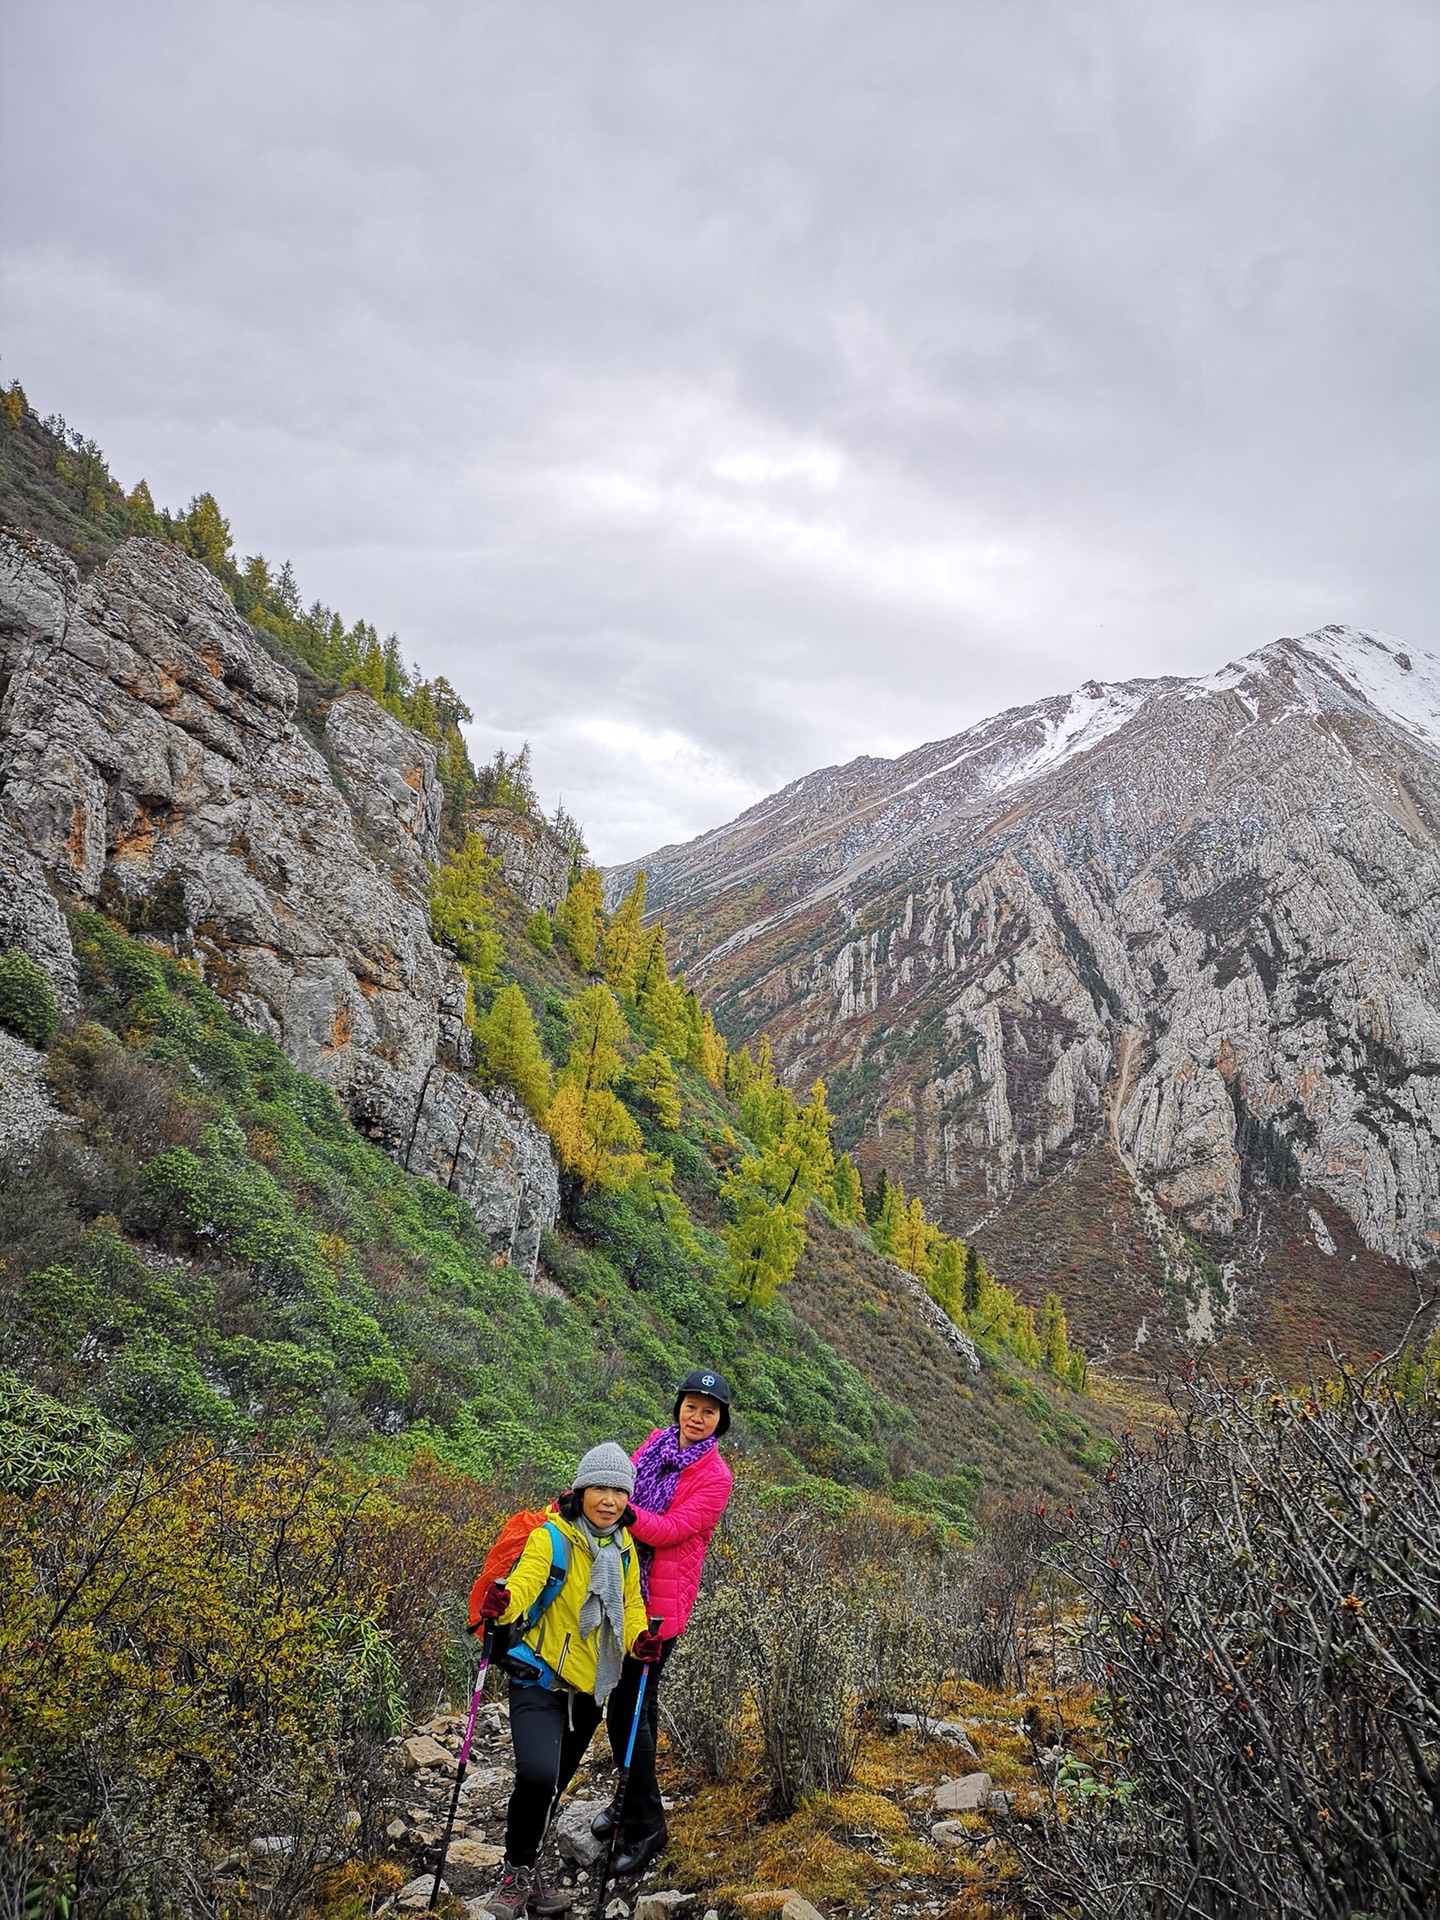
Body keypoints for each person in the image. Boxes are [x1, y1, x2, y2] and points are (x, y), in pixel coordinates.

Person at [474, 1442, 660, 1920]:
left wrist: (639, 1638)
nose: (610, 1500)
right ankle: (514, 1877)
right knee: (537, 1774)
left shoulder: (624, 1550)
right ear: (581, 1490)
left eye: (620, 1491)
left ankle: (530, 1877)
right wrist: (503, 1603)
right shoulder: (552, 1537)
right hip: (538, 1678)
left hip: (589, 1690)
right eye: (600, 1487)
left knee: (554, 1785)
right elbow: (526, 1583)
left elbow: (633, 1607)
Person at [590, 1368, 735, 1874]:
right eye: (691, 1406)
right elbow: (620, 1486)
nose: (698, 1417)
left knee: (627, 1712)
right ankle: (627, 1805)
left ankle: (647, 1826)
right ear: (678, 1408)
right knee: (635, 1710)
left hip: (658, 1610)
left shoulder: (716, 1477)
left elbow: (673, 1530)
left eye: (709, 1411)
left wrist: (622, 1515)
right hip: (625, 1592)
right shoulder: (654, 1443)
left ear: (721, 1422)